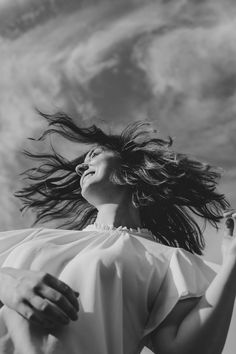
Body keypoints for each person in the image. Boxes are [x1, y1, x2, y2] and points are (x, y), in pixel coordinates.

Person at [0, 111, 235, 354]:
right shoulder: (38, 238)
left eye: (95, 154)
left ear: (130, 167)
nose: (81, 167)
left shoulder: (167, 260)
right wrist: (7, 282)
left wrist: (232, 262)